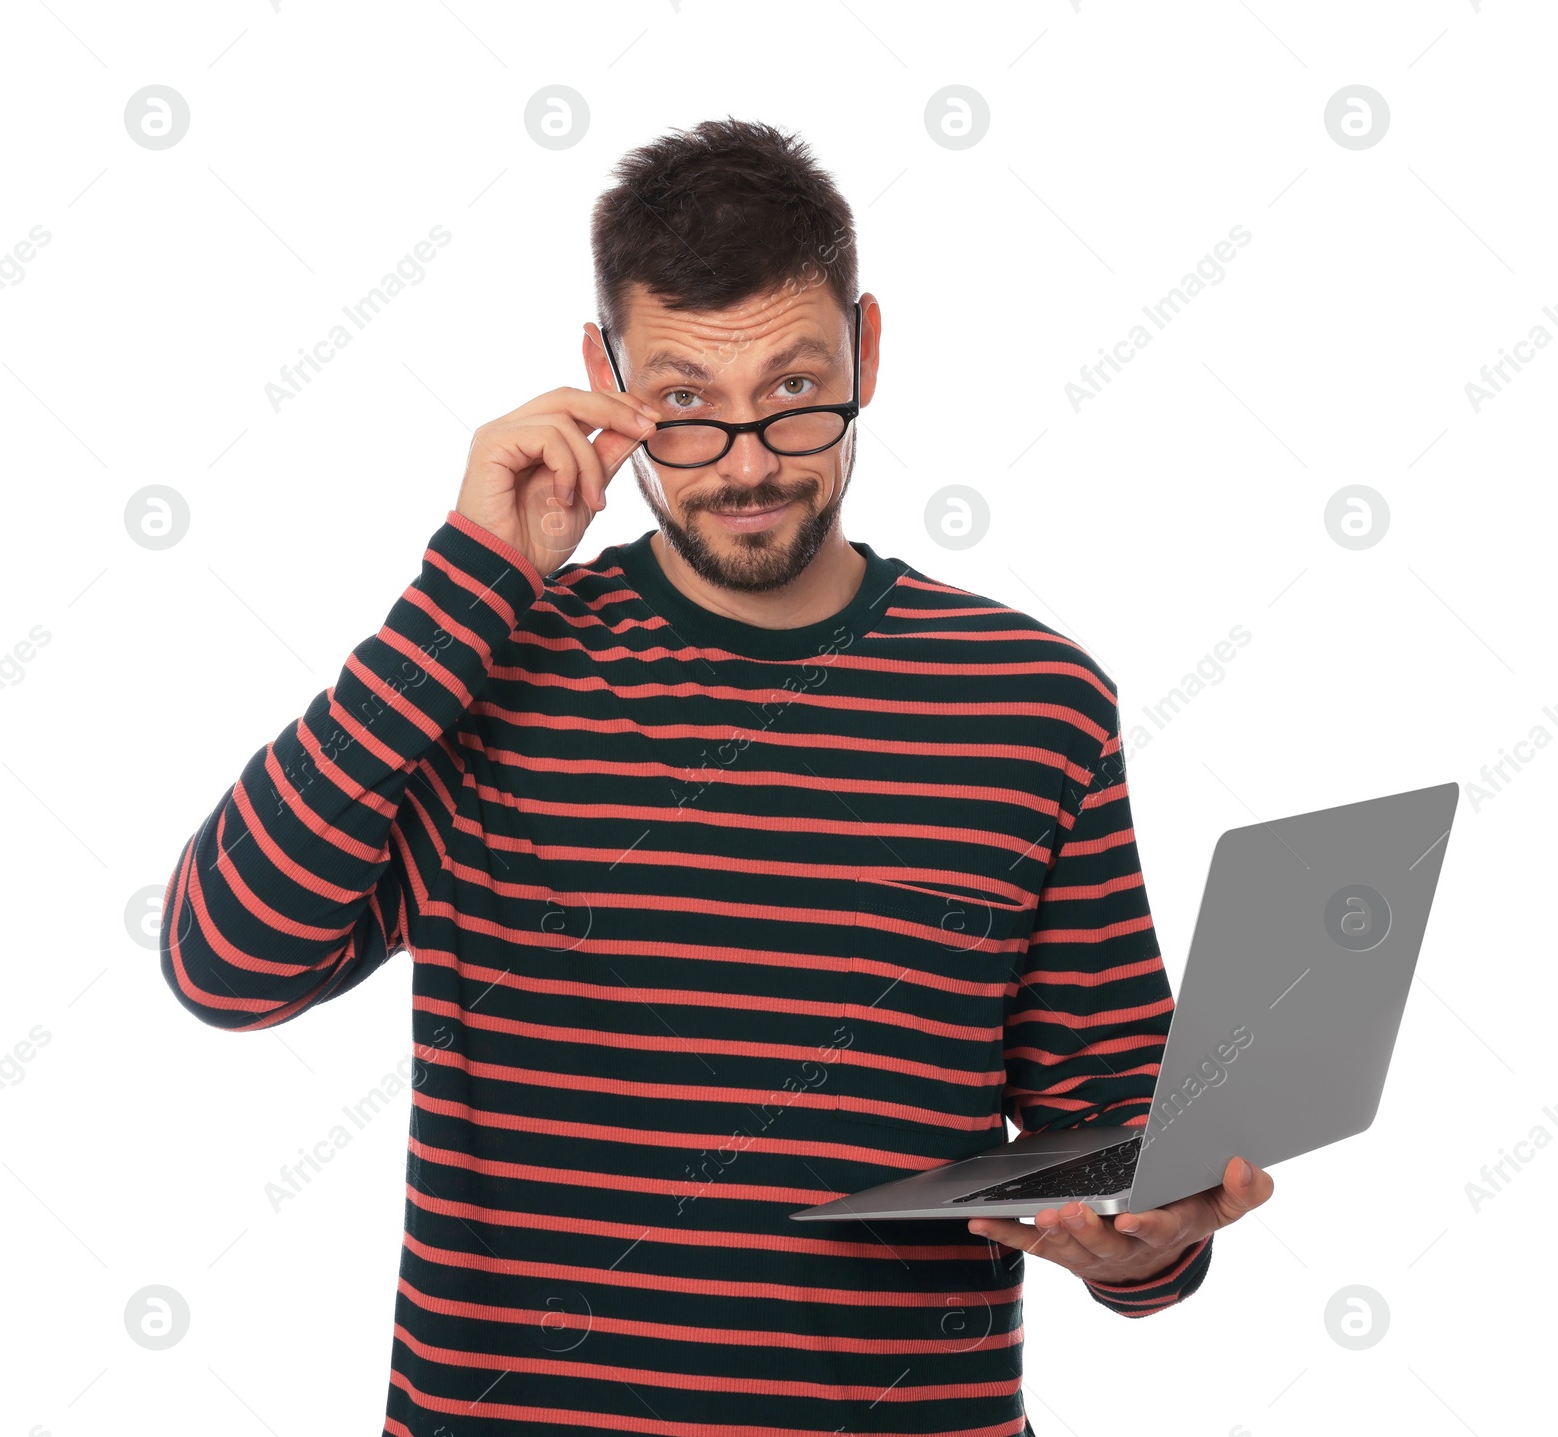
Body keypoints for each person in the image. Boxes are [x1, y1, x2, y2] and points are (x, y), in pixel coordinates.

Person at [159, 117, 1271, 1436]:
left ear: (866, 349)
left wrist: (1150, 1245)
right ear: (603, 375)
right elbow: (224, 963)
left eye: (795, 390)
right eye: (684, 402)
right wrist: (467, 581)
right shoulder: (486, 664)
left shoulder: (1033, 700)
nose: (746, 460)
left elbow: (1114, 1131)